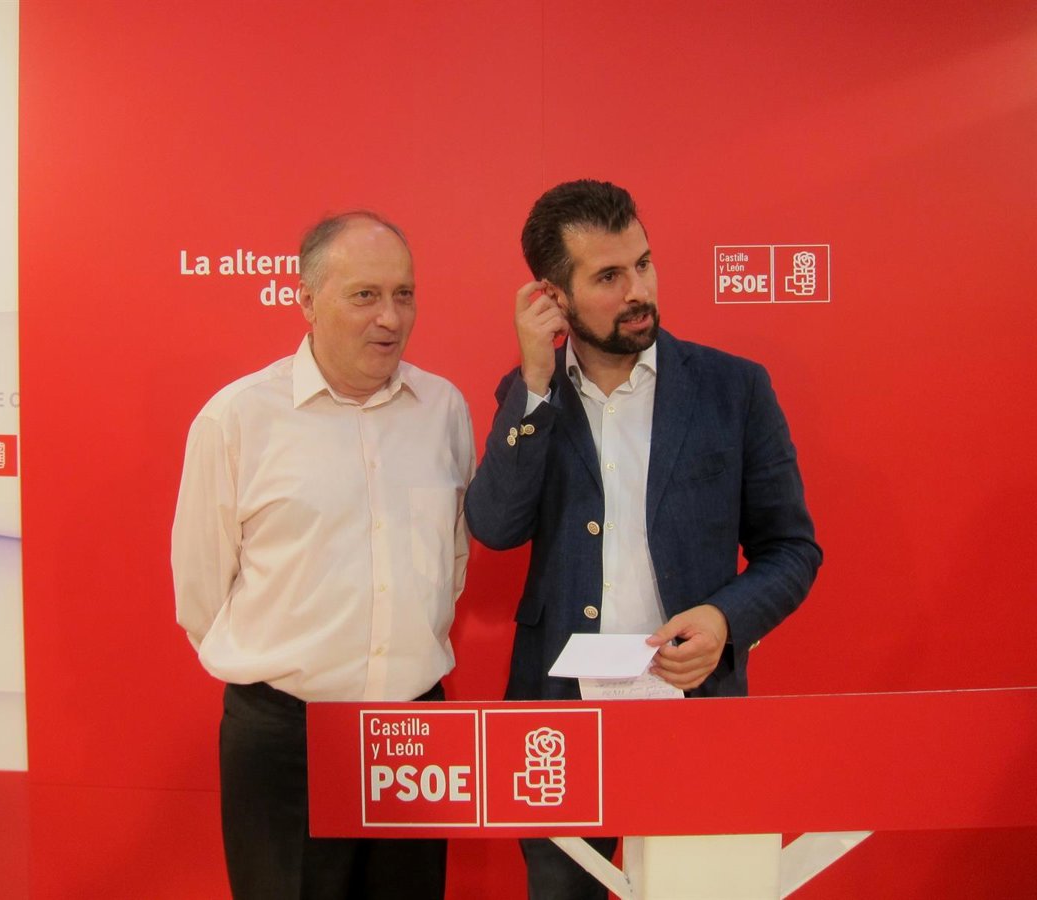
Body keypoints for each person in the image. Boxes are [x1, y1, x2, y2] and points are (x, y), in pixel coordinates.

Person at [464, 180, 821, 899]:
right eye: (608, 276)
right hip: (560, 714)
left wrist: (724, 619)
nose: (639, 291)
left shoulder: (733, 389)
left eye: (644, 264)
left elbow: (791, 549)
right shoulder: (529, 395)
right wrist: (534, 381)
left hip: (694, 701)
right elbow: (495, 526)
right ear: (554, 296)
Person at [171, 211, 474, 900]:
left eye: (404, 294)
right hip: (286, 740)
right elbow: (201, 592)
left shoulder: (444, 410)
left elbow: (450, 566)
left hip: (411, 736)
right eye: (365, 295)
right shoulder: (238, 418)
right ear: (306, 300)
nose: (390, 318)